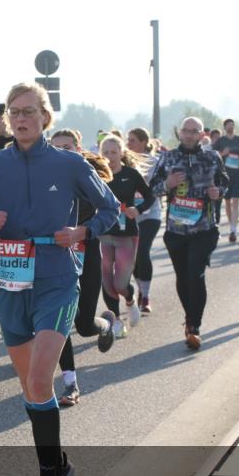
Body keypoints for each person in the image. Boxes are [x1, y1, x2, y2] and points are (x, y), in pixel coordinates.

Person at [0, 82, 119, 476]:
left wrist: (84, 232)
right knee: (30, 387)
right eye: (15, 112)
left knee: (40, 379)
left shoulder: (68, 164)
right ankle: (60, 463)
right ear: (8, 118)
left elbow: (111, 209)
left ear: (45, 117)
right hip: (9, 282)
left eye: (30, 111)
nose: (21, 118)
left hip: (55, 279)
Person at [50, 130, 116, 406]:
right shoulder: (44, 178)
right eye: (57, 148)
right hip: (55, 259)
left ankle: (105, 324)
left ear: (78, 148)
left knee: (84, 325)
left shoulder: (90, 176)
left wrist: (82, 231)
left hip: (86, 254)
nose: (62, 152)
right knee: (60, 323)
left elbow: (109, 212)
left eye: (67, 147)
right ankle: (71, 385)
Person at [149, 117, 228, 349]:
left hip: (204, 229)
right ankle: (189, 318)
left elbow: (225, 182)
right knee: (183, 277)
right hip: (176, 230)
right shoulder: (168, 157)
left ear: (202, 135)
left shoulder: (212, 157)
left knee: (195, 274)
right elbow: (152, 188)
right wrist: (168, 184)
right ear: (179, 133)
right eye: (186, 131)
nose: (190, 135)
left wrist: (218, 192)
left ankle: (194, 325)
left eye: (195, 131)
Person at [97, 135, 154, 338]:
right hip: (102, 233)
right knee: (106, 279)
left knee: (120, 283)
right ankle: (116, 321)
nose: (110, 157)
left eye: (114, 152)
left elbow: (150, 196)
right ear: (100, 153)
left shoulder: (131, 174)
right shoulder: (97, 174)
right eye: (106, 153)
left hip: (126, 234)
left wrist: (137, 210)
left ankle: (130, 302)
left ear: (121, 152)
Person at [127, 127, 162, 313]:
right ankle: (140, 288)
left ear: (143, 142)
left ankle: (146, 295)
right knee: (132, 256)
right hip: (130, 215)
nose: (128, 143)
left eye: (132, 140)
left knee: (142, 251)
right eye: (128, 139)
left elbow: (157, 189)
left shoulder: (155, 162)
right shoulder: (126, 162)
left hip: (150, 214)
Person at [212, 119, 239, 243]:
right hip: (225, 175)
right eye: (228, 125)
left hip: (238, 173)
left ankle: (234, 230)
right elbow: (214, 156)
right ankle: (231, 226)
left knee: (236, 201)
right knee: (227, 202)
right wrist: (223, 153)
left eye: (232, 125)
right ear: (224, 127)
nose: (230, 127)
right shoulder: (221, 141)